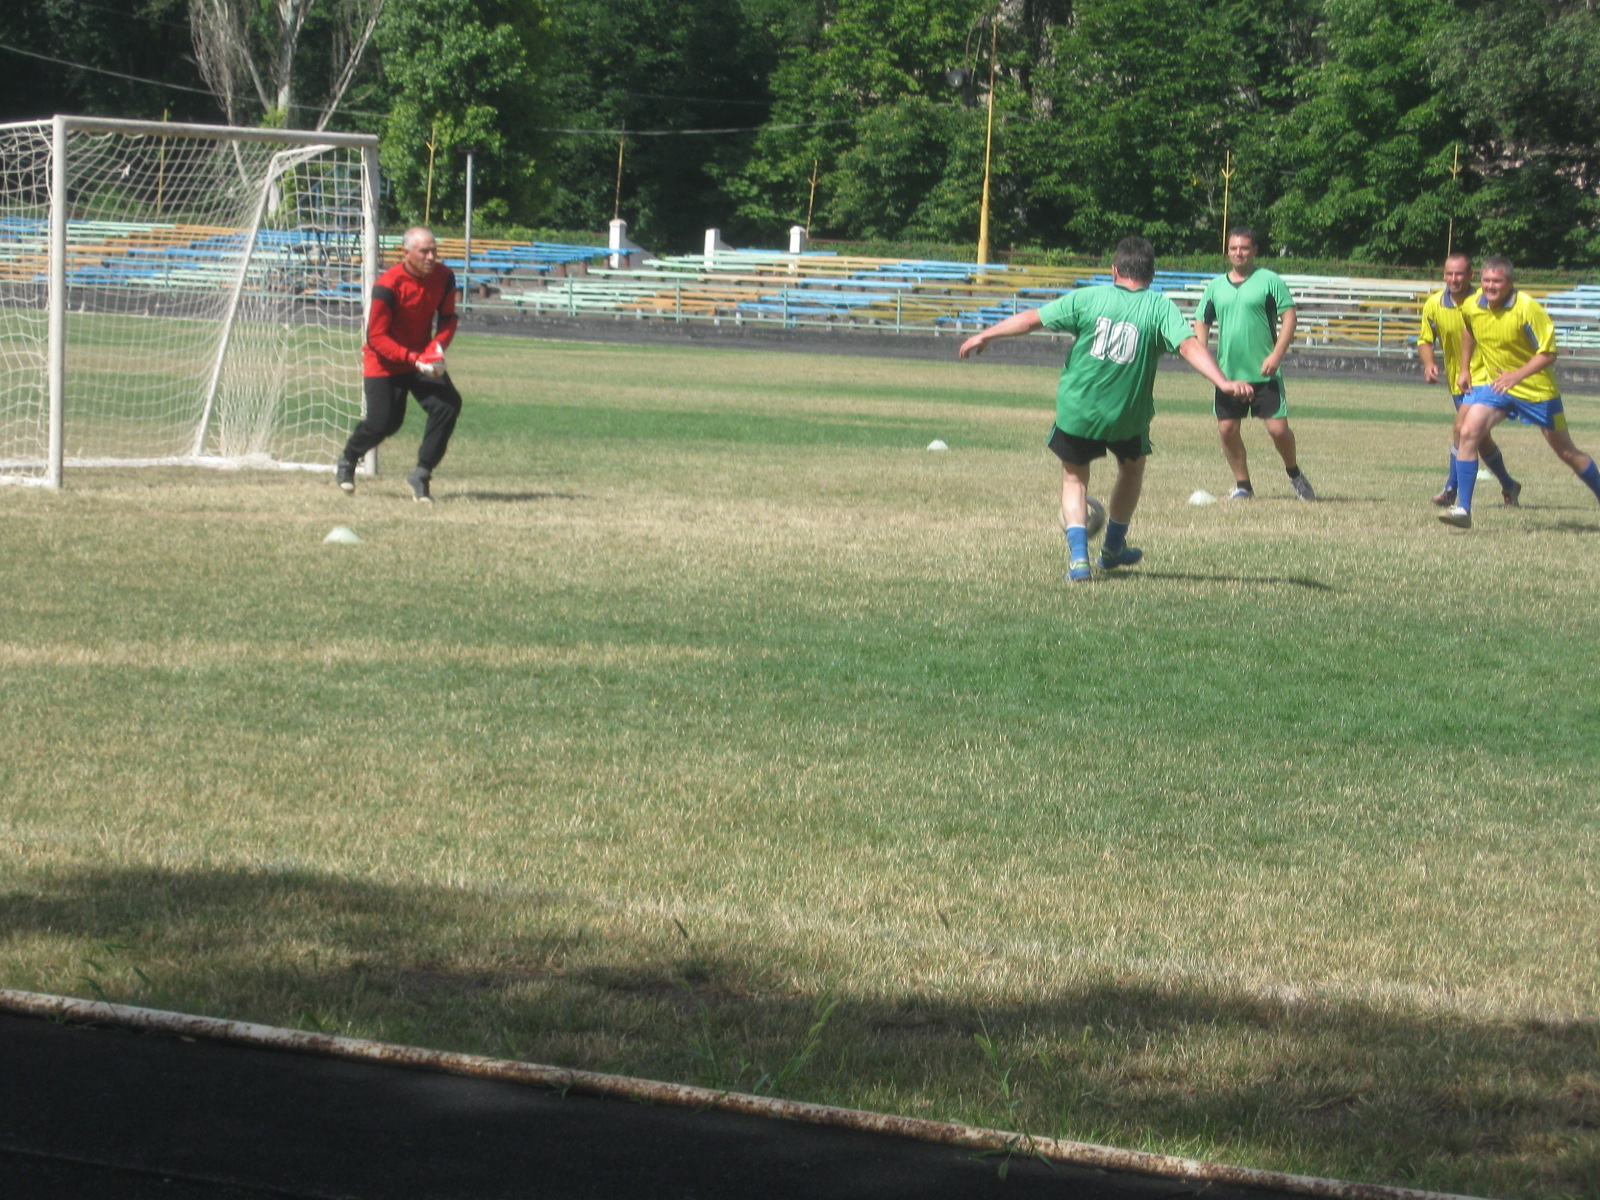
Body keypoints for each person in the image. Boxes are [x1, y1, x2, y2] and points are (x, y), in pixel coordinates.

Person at [958, 235, 1253, 583]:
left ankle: (1079, 560)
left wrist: (985, 335)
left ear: (1114, 271)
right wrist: (1223, 382)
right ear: (1151, 274)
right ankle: (1113, 547)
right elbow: (1189, 346)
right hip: (1127, 414)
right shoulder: (1160, 307)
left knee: (1074, 478)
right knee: (1131, 469)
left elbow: (1032, 319)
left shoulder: (1089, 298)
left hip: (1078, 409)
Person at [1441, 255, 1600, 528]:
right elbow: (1469, 330)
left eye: (1497, 281)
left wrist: (1516, 376)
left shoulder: (1527, 308)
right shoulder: (1473, 305)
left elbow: (1548, 354)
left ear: (1511, 282)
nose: (1490, 286)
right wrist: (1464, 368)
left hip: (1536, 391)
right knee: (1468, 432)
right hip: (1497, 387)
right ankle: (1463, 509)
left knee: (1566, 452)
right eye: (1487, 280)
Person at [335, 225, 461, 502]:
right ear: (405, 253)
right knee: (384, 424)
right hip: (384, 362)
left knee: (448, 404)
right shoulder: (388, 285)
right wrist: (413, 358)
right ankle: (349, 458)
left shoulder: (444, 276)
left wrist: (437, 346)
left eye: (434, 251)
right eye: (424, 251)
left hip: (421, 358)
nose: (431, 257)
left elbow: (448, 318)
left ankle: (422, 473)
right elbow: (376, 337)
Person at [1193, 227, 1315, 501]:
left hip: (1264, 373)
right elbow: (1202, 320)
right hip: (1228, 376)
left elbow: (1289, 318)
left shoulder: (1270, 281)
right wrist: (1203, 353)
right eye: (1233, 248)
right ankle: (1243, 486)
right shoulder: (1215, 287)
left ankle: (1294, 472)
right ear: (1227, 251)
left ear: (1255, 250)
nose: (1238, 253)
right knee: (1227, 429)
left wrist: (1276, 355)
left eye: (1244, 248)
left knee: (1278, 430)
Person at [1418, 253, 1520, 507]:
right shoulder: (1434, 304)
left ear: (1470, 275)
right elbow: (1425, 339)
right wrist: (1429, 364)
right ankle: (1508, 484)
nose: (1454, 279)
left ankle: (1451, 489)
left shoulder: (1485, 301)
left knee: (1461, 429)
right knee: (1476, 438)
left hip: (1485, 377)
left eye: (1459, 273)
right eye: (1449, 274)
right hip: (1458, 380)